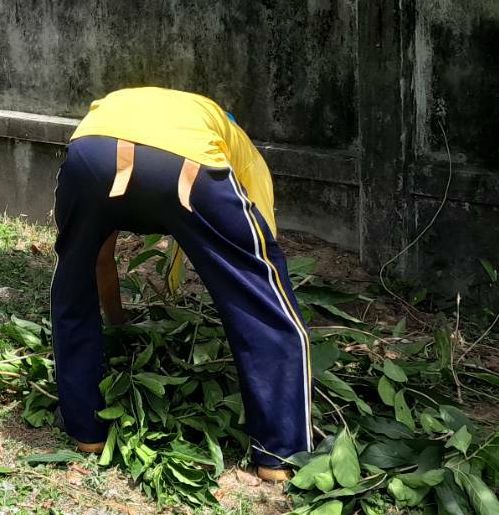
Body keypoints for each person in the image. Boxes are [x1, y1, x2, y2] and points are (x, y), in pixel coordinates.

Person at [51, 86, 313, 481]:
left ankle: (85, 430)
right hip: (186, 165)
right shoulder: (238, 144)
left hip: (92, 153)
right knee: (264, 302)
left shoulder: (124, 104)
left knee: (72, 284)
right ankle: (280, 454)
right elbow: (258, 262)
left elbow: (99, 260)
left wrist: (117, 323)